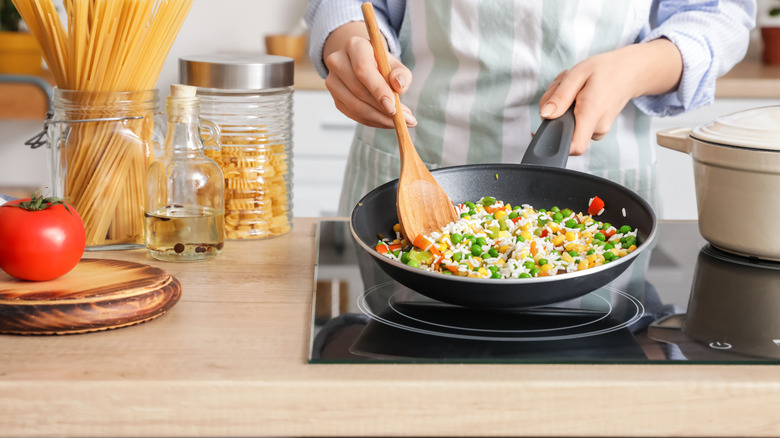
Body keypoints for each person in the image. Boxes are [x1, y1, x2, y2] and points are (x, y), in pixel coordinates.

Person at [304, 0, 755, 220]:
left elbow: (719, 14)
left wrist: (637, 67)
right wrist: (349, 43)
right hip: (417, 171)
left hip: (602, 177)